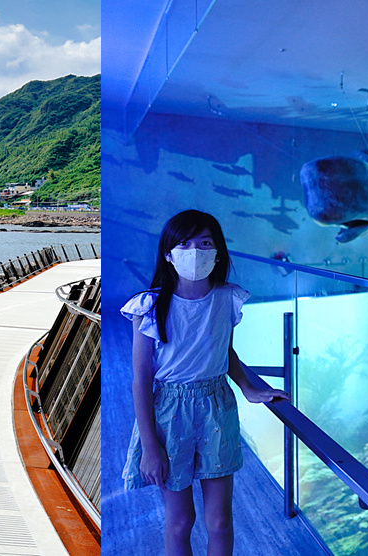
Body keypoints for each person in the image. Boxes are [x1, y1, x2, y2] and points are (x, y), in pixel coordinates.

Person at [122, 209, 289, 556]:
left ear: (217, 252)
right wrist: (151, 448)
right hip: (169, 413)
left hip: (217, 408)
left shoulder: (228, 298)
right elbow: (140, 379)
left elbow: (224, 352)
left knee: (220, 522)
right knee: (180, 521)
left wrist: (249, 387)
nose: (195, 251)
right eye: (184, 243)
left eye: (205, 243)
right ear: (168, 253)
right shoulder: (150, 306)